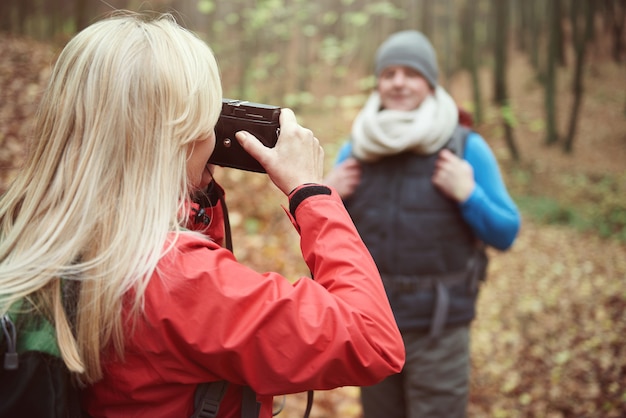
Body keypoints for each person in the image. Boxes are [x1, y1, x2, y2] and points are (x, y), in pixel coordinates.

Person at [0, 12, 405, 418]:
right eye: (208, 117)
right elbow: (372, 339)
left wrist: (190, 185)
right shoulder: (174, 277)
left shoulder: (32, 230)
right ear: (182, 135)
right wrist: (312, 193)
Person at [324, 30, 521, 418]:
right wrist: (329, 197)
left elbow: (506, 233)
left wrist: (469, 194)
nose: (398, 82)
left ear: (430, 82)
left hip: (440, 328)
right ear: (378, 83)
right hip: (371, 323)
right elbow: (327, 242)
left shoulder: (465, 147)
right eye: (389, 73)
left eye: (411, 73)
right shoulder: (357, 148)